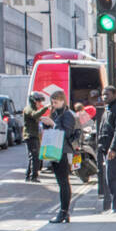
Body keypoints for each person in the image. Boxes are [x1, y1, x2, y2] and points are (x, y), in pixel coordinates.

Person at [38, 90, 76, 223]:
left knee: (64, 182)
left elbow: (66, 133)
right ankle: (64, 213)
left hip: (63, 151)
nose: (53, 105)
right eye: (52, 102)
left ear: (62, 101)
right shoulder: (54, 113)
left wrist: (53, 123)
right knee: (61, 182)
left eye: (56, 102)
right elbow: (50, 130)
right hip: (54, 151)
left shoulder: (68, 115)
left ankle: (64, 212)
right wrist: (45, 122)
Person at [97, 85, 116, 214]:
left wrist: (113, 148)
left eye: (107, 94)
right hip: (106, 149)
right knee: (110, 178)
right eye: (103, 95)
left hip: (114, 150)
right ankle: (115, 205)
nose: (104, 97)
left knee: (114, 178)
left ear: (114, 95)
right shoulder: (108, 109)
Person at [23, 92, 48, 182]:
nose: (40, 103)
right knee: (34, 157)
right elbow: (35, 115)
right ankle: (33, 176)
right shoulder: (29, 109)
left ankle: (28, 176)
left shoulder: (33, 109)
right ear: (33, 101)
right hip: (30, 136)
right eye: (38, 101)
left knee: (33, 157)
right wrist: (45, 108)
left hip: (34, 135)